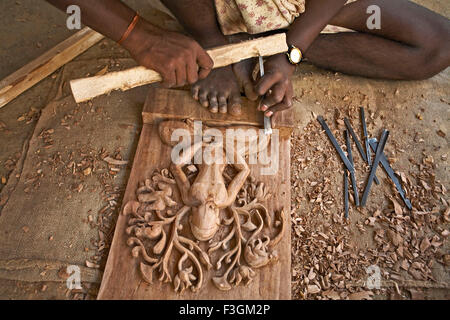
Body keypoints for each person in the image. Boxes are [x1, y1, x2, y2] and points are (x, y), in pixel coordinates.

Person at [47, 0, 450, 119]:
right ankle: (213, 40)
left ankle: (257, 43)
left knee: (437, 47)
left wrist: (291, 51)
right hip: (208, 4)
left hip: (295, 5)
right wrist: (140, 35)